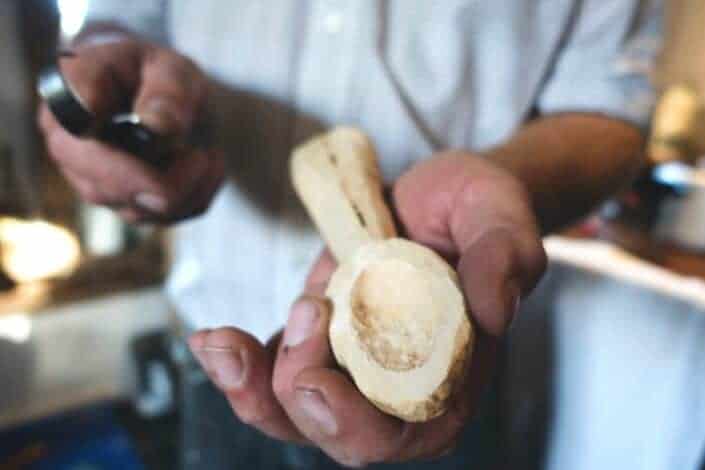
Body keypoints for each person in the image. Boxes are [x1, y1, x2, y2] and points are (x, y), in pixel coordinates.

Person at [38, 1, 663, 468]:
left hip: (468, 361)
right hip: (219, 345)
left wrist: (496, 188)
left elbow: (609, 106)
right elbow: (119, 22)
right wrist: (102, 82)